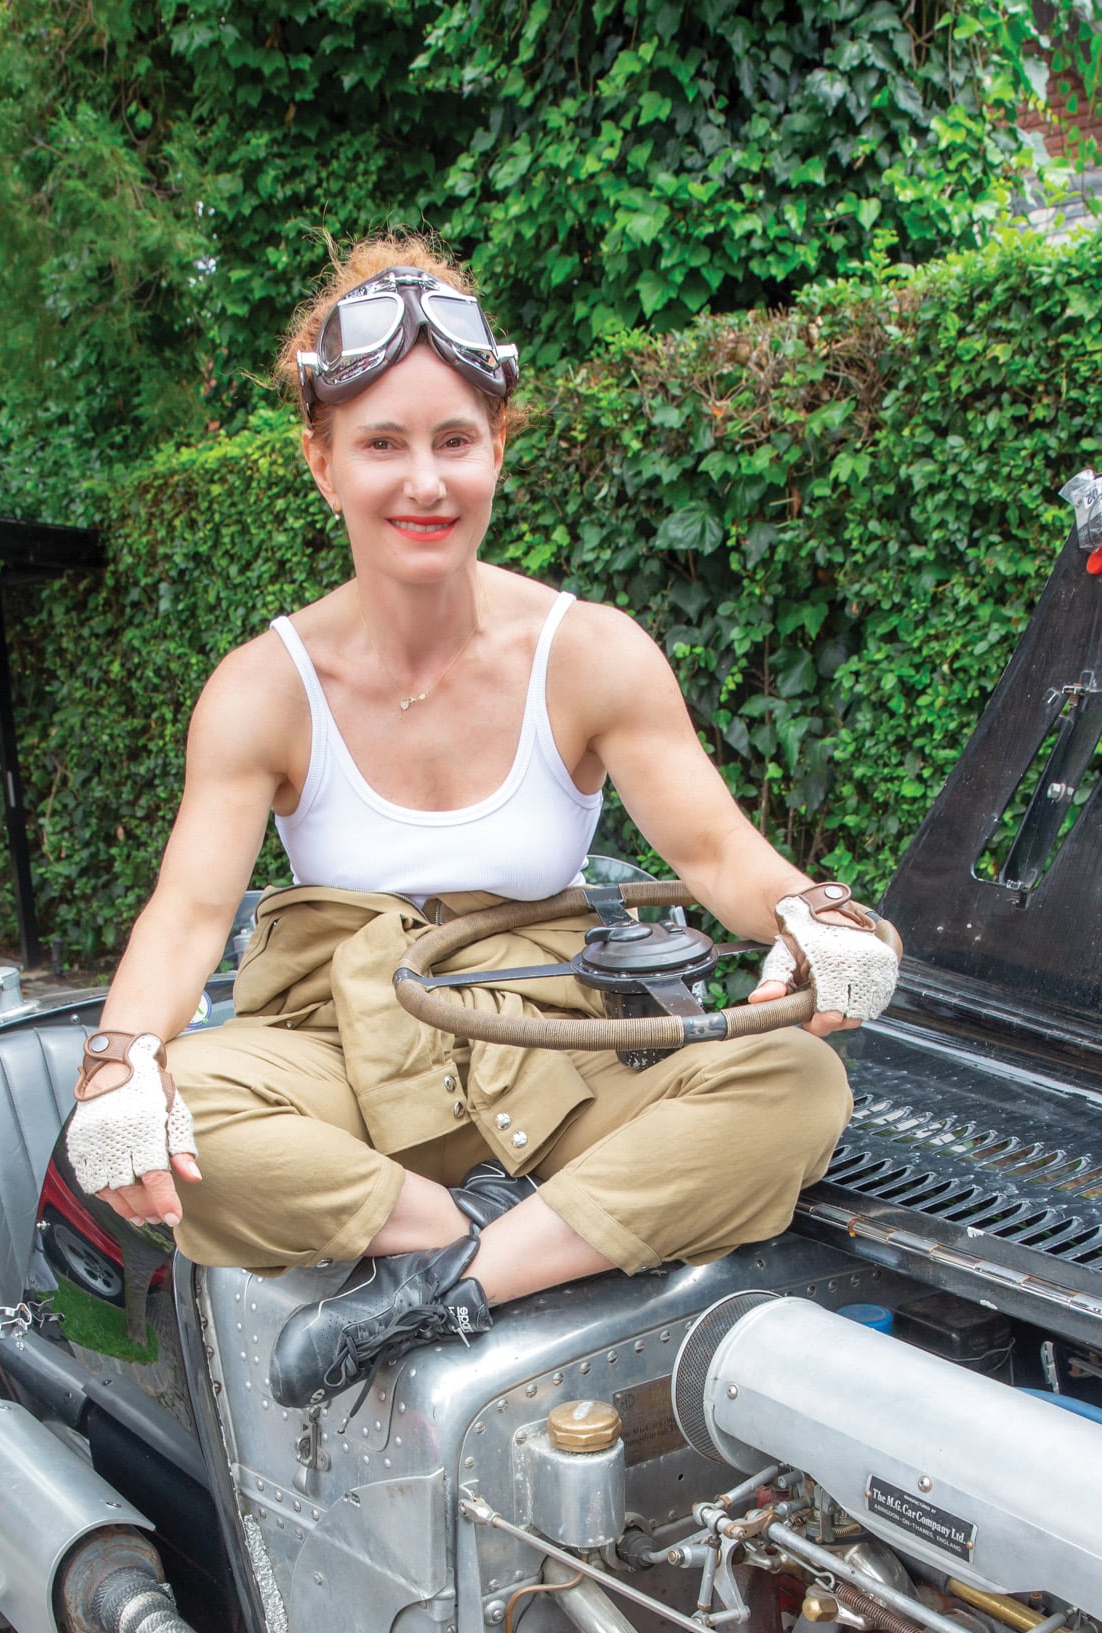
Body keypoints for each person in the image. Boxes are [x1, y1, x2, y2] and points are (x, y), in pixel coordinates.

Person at [66, 237, 898, 1412]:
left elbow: (718, 855)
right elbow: (192, 909)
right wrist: (116, 1069)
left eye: (456, 440)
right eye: (383, 445)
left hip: (551, 1047)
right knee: (179, 1123)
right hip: (339, 1051)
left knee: (797, 1082)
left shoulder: (589, 654)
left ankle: (443, 1283)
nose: (425, 482)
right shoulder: (262, 685)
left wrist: (818, 919)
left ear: (497, 446)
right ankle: (494, 1237)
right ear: (322, 462)